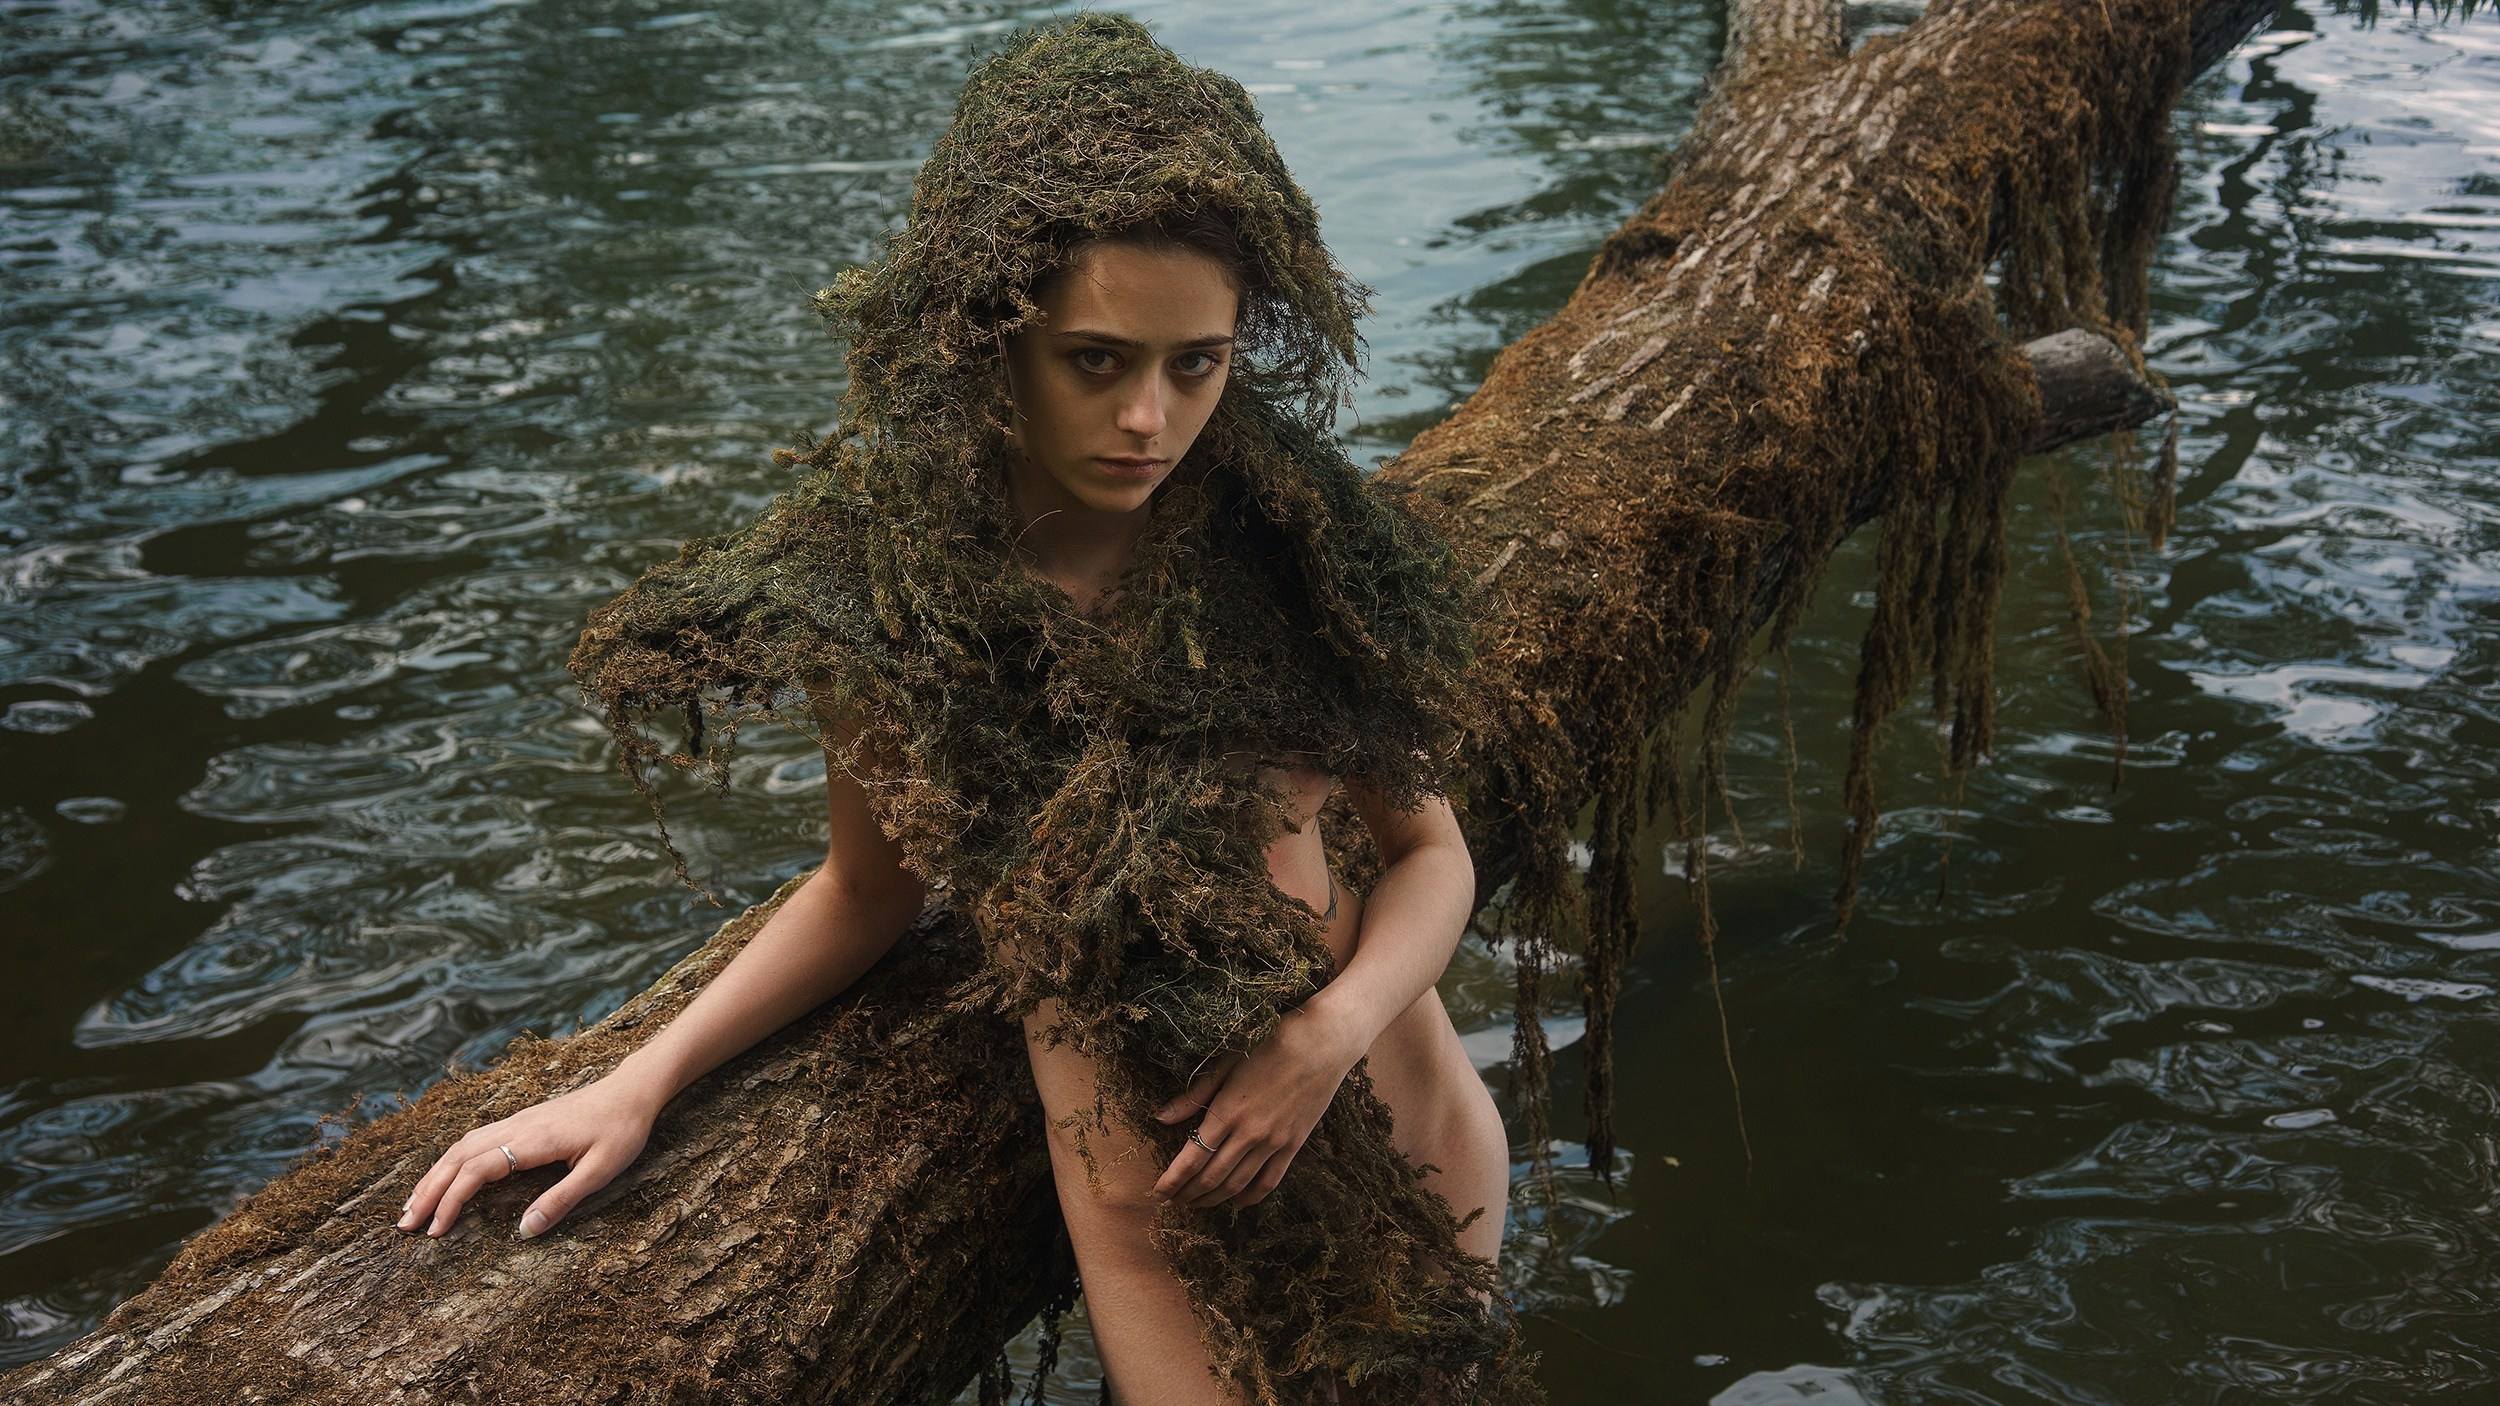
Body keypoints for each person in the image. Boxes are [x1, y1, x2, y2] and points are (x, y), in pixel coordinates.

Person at [394, 15, 1537, 1404]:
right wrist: (639, 1080)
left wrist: (1326, 1033)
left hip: (1400, 1121)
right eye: (1097, 359)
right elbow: (864, 891)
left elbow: (1431, 854)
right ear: (991, 329)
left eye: (1199, 363)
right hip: (1156, 1216)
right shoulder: (897, 595)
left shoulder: (1288, 540)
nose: (1150, 421)